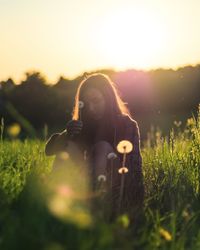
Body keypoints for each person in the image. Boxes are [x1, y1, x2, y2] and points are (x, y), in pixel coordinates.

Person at [45, 73, 144, 220]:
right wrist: (67, 134)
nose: (91, 108)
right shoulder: (82, 125)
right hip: (87, 179)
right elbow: (49, 151)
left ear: (108, 98)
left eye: (96, 101)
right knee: (66, 147)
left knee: (102, 147)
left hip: (120, 184)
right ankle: (52, 202)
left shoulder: (126, 124)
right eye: (86, 102)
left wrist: (134, 199)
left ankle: (94, 206)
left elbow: (134, 168)